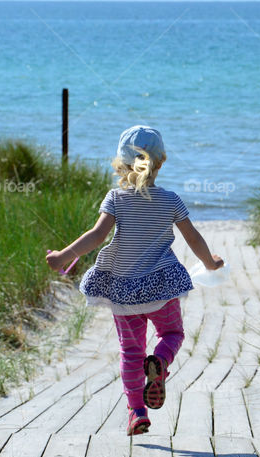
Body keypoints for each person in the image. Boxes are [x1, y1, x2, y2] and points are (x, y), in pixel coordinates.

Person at [46, 125, 223, 435]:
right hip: (162, 288)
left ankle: (136, 412)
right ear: (161, 162)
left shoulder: (115, 198)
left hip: (124, 292)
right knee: (171, 333)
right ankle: (161, 361)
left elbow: (97, 236)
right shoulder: (171, 200)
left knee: (131, 353)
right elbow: (193, 237)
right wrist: (210, 262)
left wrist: (64, 256)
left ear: (121, 164)